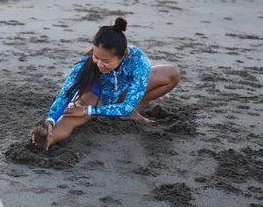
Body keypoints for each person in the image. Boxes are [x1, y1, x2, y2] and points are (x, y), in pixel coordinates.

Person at [31, 17, 180, 151]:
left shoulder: (139, 62)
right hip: (97, 95)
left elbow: (126, 108)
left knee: (171, 73)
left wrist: (87, 110)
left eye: (107, 61)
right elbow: (66, 94)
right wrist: (51, 120)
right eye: (96, 57)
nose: (100, 64)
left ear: (123, 56)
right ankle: (46, 140)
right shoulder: (86, 63)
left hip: (125, 93)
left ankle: (133, 113)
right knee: (69, 117)